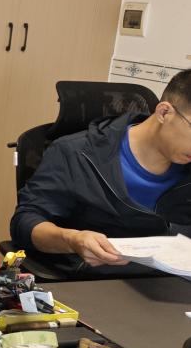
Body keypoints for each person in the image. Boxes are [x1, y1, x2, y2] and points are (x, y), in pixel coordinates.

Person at [10, 68, 191, 276]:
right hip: (92, 281)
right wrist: (72, 239)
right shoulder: (76, 153)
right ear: (164, 113)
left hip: (169, 284)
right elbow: (24, 223)